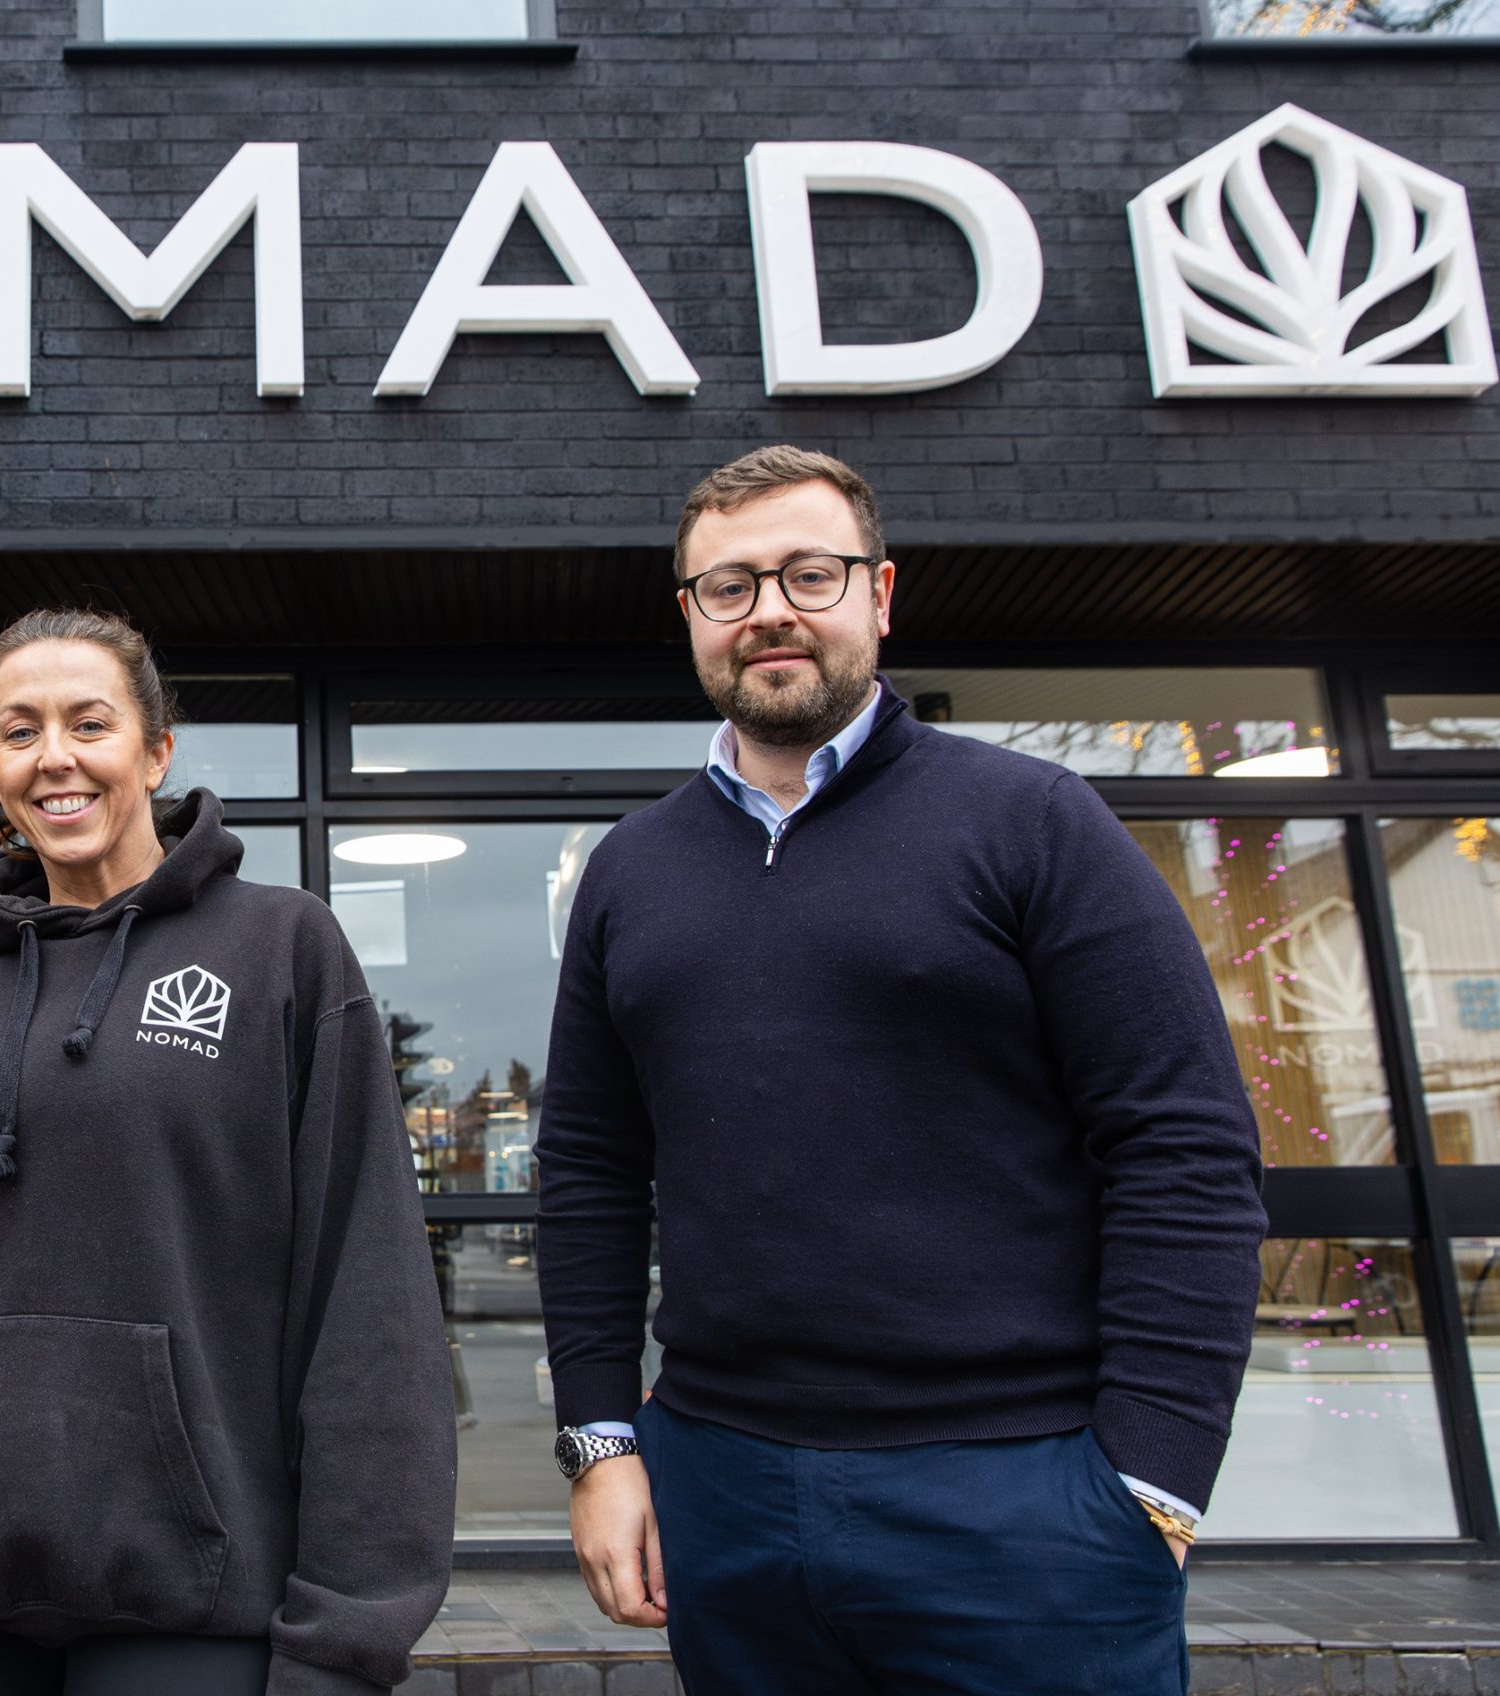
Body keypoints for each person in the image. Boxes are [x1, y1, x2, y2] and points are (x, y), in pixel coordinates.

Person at [534, 446, 1267, 1695]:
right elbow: (592, 1170)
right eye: (729, 586)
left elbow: (1182, 1147)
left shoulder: (1033, 821)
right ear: (691, 619)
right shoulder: (631, 868)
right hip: (724, 1489)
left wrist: (1152, 1479)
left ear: (879, 595)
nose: (768, 609)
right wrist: (604, 1442)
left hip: (1020, 1497)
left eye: (807, 575)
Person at [0, 608, 455, 1696]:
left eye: (89, 722)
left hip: (191, 1593)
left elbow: (367, 1306)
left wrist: (347, 1632)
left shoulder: (282, 950)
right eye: (20, 731)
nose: (57, 758)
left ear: (156, 747)